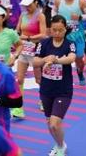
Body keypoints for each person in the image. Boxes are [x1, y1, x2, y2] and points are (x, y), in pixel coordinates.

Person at [33, 15, 76, 156]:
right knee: (49, 124)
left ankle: (61, 146)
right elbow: (35, 61)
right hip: (46, 90)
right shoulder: (44, 43)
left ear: (65, 30)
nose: (57, 33)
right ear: (50, 29)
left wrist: (56, 60)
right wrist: (45, 59)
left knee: (54, 123)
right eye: (54, 30)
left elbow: (71, 58)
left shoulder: (69, 44)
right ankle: (59, 144)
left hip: (63, 91)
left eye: (60, 30)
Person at [13, 0, 47, 118]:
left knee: (39, 79)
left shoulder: (40, 16)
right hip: (23, 51)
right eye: (25, 5)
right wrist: (15, 38)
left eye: (29, 5)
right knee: (19, 79)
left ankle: (43, 100)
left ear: (36, 2)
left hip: (36, 51)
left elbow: (43, 34)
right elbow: (17, 31)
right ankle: (18, 107)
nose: (27, 7)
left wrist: (28, 38)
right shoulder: (23, 15)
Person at [55, 0, 86, 85]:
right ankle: (62, 78)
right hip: (63, 35)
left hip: (77, 35)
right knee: (62, 57)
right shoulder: (59, 1)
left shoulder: (80, 1)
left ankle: (80, 72)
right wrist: (55, 19)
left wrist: (80, 17)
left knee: (79, 57)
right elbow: (53, 11)